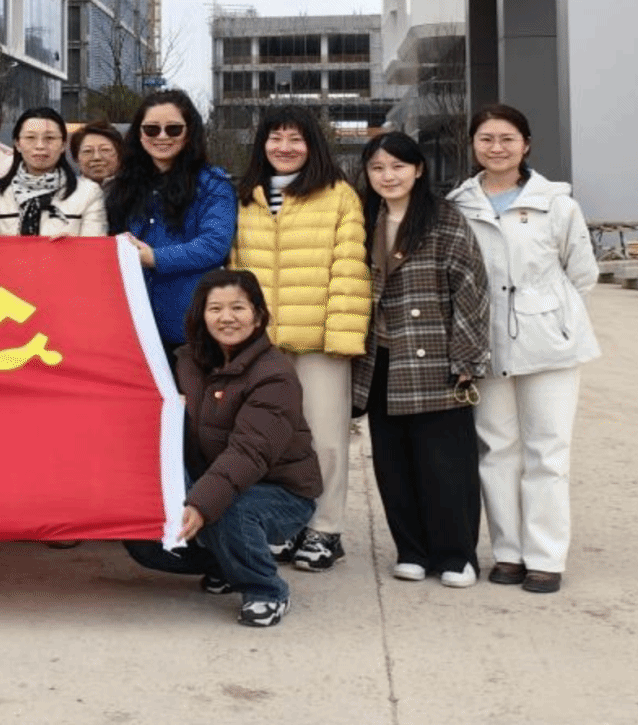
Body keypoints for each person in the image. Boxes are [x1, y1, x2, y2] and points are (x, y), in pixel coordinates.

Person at [448, 104, 600, 596]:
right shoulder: (458, 205)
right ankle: (508, 553)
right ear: (473, 145)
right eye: (486, 138)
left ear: (526, 145)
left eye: (507, 138)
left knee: (547, 450)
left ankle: (545, 557)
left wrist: (551, 315)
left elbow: (582, 273)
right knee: (497, 450)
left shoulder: (557, 204)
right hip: (483, 341)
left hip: (549, 342)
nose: (497, 148)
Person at [123, 269, 322, 629]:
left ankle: (266, 590)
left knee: (228, 513)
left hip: (281, 492)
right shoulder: (186, 361)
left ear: (258, 315)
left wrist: (200, 504)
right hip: (216, 481)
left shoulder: (275, 375)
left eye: (238, 308)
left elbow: (249, 453)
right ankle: (226, 565)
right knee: (145, 537)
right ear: (201, 315)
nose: (226, 317)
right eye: (215, 308)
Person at [229, 106, 370, 574]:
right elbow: (235, 270)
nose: (284, 147)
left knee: (325, 439)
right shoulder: (246, 197)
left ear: (312, 145)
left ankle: (325, 530)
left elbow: (349, 270)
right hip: (261, 344)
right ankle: (285, 525)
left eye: (296, 139)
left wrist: (341, 338)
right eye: (276, 138)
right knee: (270, 440)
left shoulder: (338, 195)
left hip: (319, 341)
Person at [353, 131, 491, 589]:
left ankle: (457, 555)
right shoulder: (363, 219)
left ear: (418, 169)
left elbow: (471, 288)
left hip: (434, 357)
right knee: (393, 463)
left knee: (446, 464)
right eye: (377, 168)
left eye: (397, 166)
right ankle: (411, 550)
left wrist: (467, 356)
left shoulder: (444, 219)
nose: (387, 176)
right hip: (380, 358)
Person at [106, 92, 238, 350]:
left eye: (174, 129)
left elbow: (214, 245)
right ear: (139, 133)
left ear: (189, 133)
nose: (162, 136)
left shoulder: (214, 185)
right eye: (152, 129)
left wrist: (154, 258)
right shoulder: (123, 186)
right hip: (132, 324)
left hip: (189, 327)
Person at [0, 107, 108, 237]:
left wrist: (72, 245)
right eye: (30, 138)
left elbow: (95, 245)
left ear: (63, 145)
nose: (40, 146)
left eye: (50, 138)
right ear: (17, 144)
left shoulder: (88, 193)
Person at [71, 122, 125, 186]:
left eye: (105, 150)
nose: (97, 157)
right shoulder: (67, 190)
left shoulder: (132, 189)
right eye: (87, 151)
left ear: (119, 155)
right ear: (76, 157)